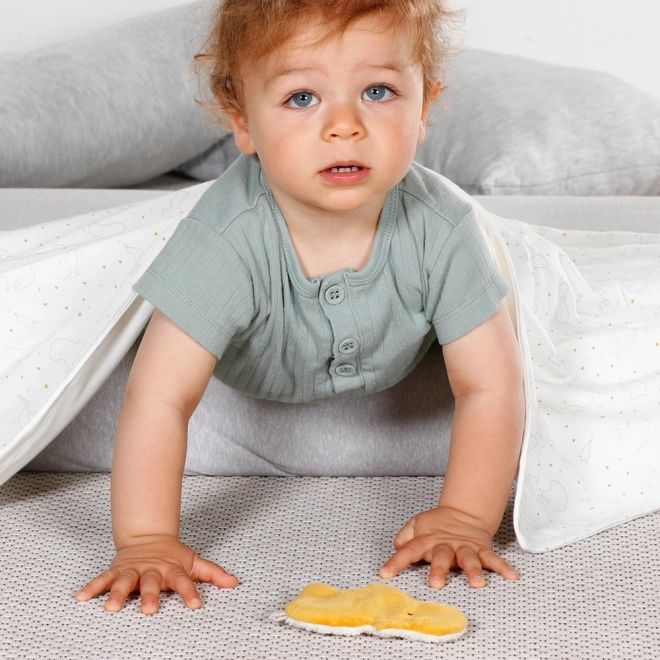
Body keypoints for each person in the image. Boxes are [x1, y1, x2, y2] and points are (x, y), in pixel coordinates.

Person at [74, 0, 526, 615]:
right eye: (301, 98)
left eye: (378, 90)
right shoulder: (226, 239)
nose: (345, 124)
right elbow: (160, 396)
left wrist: (466, 517)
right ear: (242, 121)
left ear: (425, 106)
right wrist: (146, 539)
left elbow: (491, 386)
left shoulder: (442, 228)